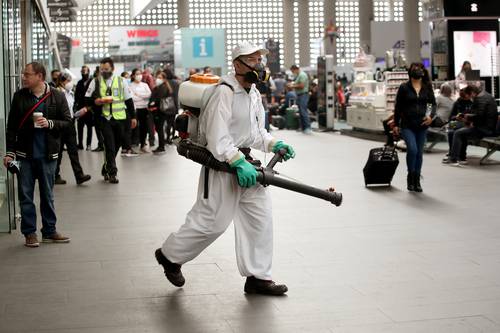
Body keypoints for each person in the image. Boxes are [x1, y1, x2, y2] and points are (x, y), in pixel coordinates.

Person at [155, 41, 295, 296]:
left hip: (246, 166)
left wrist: (274, 143)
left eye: (258, 60)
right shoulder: (225, 92)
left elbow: (254, 134)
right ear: (237, 64)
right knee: (212, 222)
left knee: (260, 219)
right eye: (252, 60)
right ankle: (169, 256)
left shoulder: (252, 93)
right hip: (221, 165)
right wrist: (237, 161)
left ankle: (258, 277)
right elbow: (217, 138)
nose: (258, 65)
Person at [4, 62, 71, 247]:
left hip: (48, 156)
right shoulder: (19, 97)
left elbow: (67, 122)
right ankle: (29, 233)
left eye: (27, 74)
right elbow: (11, 128)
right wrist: (10, 152)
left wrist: (49, 123)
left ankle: (49, 231)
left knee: (47, 195)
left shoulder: (57, 95)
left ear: (39, 76)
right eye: (24, 74)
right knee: (25, 196)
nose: (23, 77)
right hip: (24, 156)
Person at [85, 57, 137, 184]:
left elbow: (128, 100)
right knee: (109, 146)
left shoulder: (121, 81)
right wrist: (96, 101)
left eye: (106, 69)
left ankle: (106, 167)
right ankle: (112, 173)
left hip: (120, 118)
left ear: (112, 69)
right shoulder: (95, 81)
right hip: (104, 118)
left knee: (118, 144)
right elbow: (86, 99)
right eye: (102, 69)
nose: (104, 71)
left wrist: (133, 117)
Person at [393, 62, 436, 192]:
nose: (417, 70)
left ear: (423, 72)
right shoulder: (404, 87)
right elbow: (398, 107)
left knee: (419, 153)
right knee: (412, 150)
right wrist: (395, 123)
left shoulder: (427, 87)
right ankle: (410, 176)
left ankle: (416, 180)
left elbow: (431, 104)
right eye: (415, 68)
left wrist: (429, 117)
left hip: (422, 125)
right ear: (410, 72)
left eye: (420, 68)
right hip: (407, 125)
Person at [443, 85, 498, 166]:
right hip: (459, 122)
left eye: (468, 96)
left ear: (471, 93)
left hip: (477, 125)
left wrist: (467, 117)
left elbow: (479, 115)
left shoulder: (477, 99)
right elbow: (452, 116)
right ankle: (455, 155)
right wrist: (461, 117)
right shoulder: (458, 102)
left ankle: (455, 157)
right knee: (452, 130)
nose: (468, 98)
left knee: (457, 132)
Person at [54, 72, 92, 185]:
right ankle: (55, 175)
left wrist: (79, 113)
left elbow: (72, 112)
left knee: (73, 151)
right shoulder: (56, 93)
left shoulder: (70, 94)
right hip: (60, 124)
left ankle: (79, 175)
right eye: (68, 81)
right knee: (58, 151)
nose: (70, 83)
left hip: (70, 124)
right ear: (61, 81)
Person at [129, 68, 153, 153]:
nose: (139, 76)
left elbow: (149, 95)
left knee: (144, 127)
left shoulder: (145, 85)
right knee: (133, 127)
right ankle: (130, 145)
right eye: (137, 74)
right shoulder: (130, 85)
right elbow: (132, 98)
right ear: (133, 76)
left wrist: (138, 94)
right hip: (135, 109)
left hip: (144, 108)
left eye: (140, 74)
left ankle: (143, 144)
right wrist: (143, 96)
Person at [148, 72, 173, 154]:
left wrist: (152, 103)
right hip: (160, 111)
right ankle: (161, 146)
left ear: (164, 79)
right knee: (160, 129)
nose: (157, 79)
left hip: (159, 111)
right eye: (157, 77)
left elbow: (159, 99)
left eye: (160, 77)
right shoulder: (162, 87)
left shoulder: (163, 87)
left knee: (159, 129)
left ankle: (161, 147)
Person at [75, 66, 94, 150]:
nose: (83, 73)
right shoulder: (79, 82)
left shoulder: (92, 82)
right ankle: (80, 144)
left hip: (89, 108)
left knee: (89, 127)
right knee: (80, 127)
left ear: (88, 72)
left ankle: (88, 144)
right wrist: (76, 107)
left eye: (85, 71)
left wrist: (91, 106)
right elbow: (76, 95)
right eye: (82, 71)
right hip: (80, 108)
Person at [290, 64, 311, 134]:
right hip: (300, 95)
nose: (293, 73)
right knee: (301, 112)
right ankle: (303, 127)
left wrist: (293, 86)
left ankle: (307, 127)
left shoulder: (302, 75)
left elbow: (302, 86)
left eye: (293, 71)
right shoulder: (299, 75)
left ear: (295, 69)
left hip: (303, 95)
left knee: (303, 111)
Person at [164, 68, 179, 144]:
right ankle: (173, 137)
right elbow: (177, 95)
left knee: (168, 123)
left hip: (166, 105)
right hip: (174, 105)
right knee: (172, 122)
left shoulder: (165, 83)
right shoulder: (176, 83)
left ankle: (167, 138)